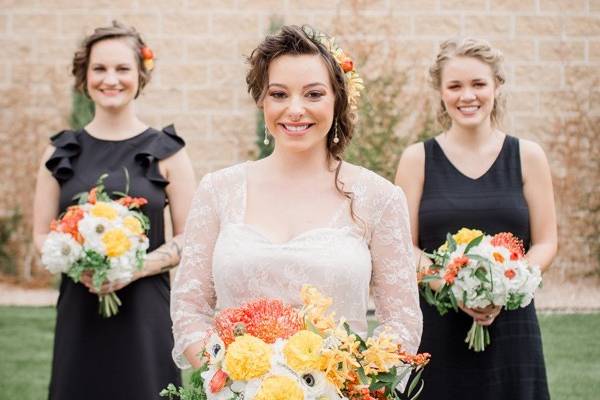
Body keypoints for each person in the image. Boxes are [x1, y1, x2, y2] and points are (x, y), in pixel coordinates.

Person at [170, 25, 422, 371]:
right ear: (262, 101)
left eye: (314, 94)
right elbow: (189, 306)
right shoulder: (219, 191)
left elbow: (402, 321)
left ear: (338, 100)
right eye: (279, 94)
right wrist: (227, 377)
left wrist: (346, 381)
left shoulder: (379, 197)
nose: (295, 109)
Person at [32, 21, 195, 400]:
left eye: (122, 69)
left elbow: (191, 238)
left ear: (141, 75)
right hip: (79, 310)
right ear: (84, 76)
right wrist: (80, 263)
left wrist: (133, 267)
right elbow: (41, 234)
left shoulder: (168, 152)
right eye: (99, 69)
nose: (111, 79)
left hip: (145, 315)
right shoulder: (59, 154)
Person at [395, 37, 557, 399]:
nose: (467, 95)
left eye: (478, 84)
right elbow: (405, 247)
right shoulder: (416, 160)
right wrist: (454, 286)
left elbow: (546, 241)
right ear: (440, 92)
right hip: (438, 327)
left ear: (496, 86)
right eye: (454, 86)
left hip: (512, 324)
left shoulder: (528, 156)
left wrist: (506, 286)